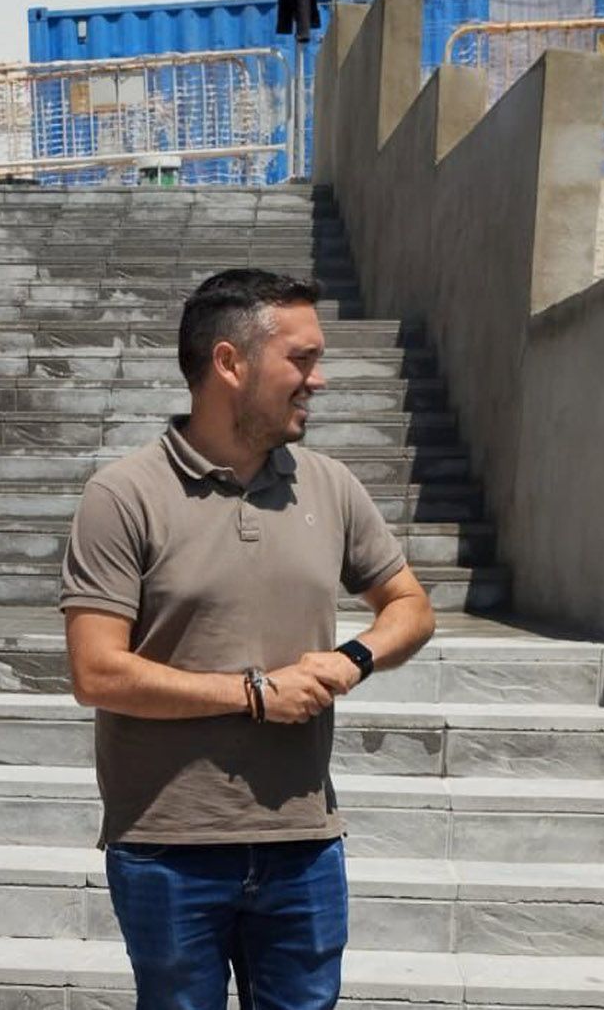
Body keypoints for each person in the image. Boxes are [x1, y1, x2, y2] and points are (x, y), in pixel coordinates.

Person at [61, 269, 437, 1009]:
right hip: (169, 846)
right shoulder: (123, 495)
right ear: (231, 363)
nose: (318, 379)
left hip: (304, 841)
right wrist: (253, 693)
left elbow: (411, 605)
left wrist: (352, 658)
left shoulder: (328, 486)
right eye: (301, 358)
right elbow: (95, 671)